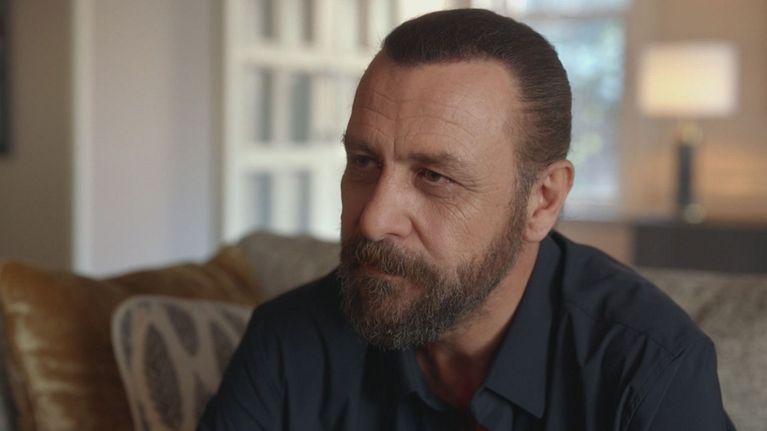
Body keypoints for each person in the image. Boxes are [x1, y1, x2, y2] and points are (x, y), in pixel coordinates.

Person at [199, 8, 734, 431]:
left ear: (542, 200)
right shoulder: (288, 342)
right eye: (364, 162)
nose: (374, 221)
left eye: (434, 176)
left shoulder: (648, 369)